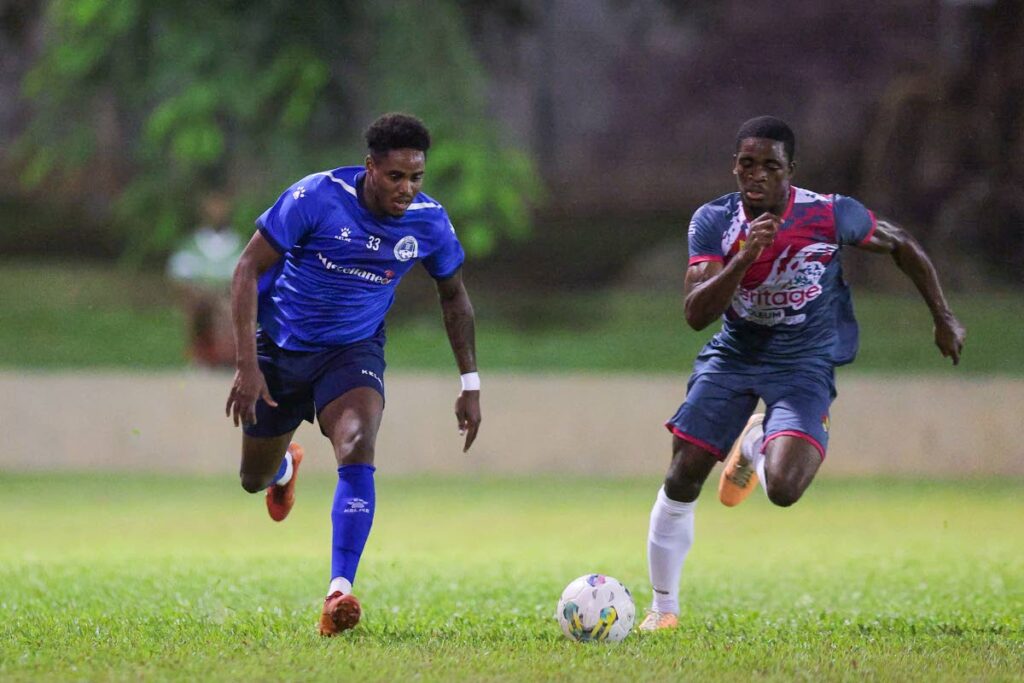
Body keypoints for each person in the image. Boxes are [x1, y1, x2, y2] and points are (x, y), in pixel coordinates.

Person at [638, 116, 966, 632]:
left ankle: (754, 445)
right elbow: (695, 313)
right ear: (735, 167)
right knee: (682, 476)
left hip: (803, 362)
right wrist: (745, 257)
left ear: (792, 170)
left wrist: (943, 316)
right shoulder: (713, 220)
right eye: (748, 164)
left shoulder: (829, 214)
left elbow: (901, 243)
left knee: (785, 489)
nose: (758, 176)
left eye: (771, 165)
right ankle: (663, 609)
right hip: (734, 355)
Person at [224, 113, 482, 636]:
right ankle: (283, 472)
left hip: (352, 352)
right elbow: (247, 268)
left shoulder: (429, 222)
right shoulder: (316, 197)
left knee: (358, 443)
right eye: (395, 177)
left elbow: (454, 297)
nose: (407, 189)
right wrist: (247, 365)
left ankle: (338, 590)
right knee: (253, 480)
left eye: (416, 178)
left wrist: (470, 383)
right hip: (279, 349)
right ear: (370, 168)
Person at [166, 191, 242, 368]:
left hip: (227, 296)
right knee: (198, 304)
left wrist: (222, 294)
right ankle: (200, 357)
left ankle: (228, 358)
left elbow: (245, 279)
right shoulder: (190, 245)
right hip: (199, 297)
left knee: (228, 306)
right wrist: (203, 293)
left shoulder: (240, 245)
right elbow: (179, 277)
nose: (217, 210)